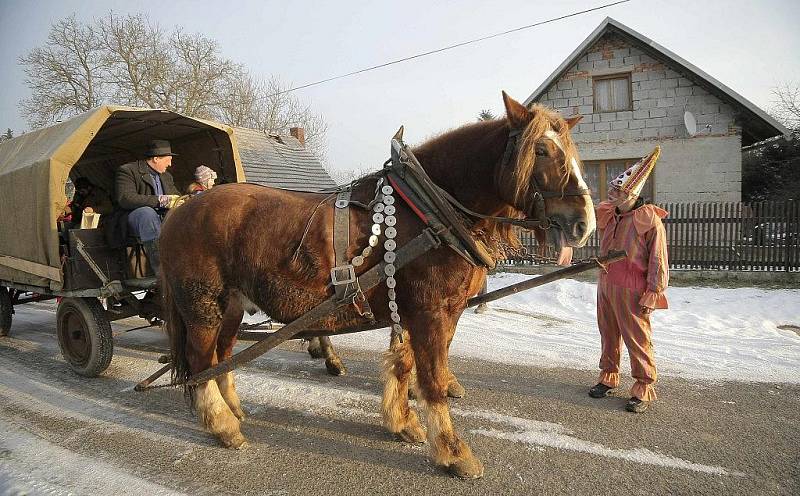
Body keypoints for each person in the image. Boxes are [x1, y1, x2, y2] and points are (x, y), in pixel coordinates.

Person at [588, 146, 669, 414]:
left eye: (617, 190)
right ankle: (608, 376)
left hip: (633, 289)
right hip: (607, 285)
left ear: (631, 193)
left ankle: (643, 386)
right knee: (608, 334)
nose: (611, 192)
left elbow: (658, 259)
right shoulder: (610, 213)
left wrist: (653, 291)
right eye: (613, 188)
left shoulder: (648, 220)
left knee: (637, 338)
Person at [113, 139, 181, 274]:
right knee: (147, 213)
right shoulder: (127, 171)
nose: (170, 164)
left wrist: (182, 201)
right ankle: (160, 268)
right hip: (133, 217)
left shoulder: (167, 176)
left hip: (161, 216)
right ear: (156, 159)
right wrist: (160, 201)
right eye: (168, 160)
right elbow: (125, 198)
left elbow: (176, 196)